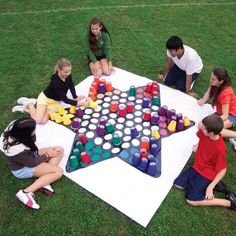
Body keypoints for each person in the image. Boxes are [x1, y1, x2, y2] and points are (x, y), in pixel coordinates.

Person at [174, 114, 236, 210]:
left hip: (207, 174)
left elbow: (222, 170)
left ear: (211, 133)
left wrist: (210, 187)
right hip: (196, 167)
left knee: (191, 200)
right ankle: (207, 185)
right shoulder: (204, 133)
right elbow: (201, 138)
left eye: (203, 128)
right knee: (178, 184)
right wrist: (198, 147)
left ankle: (228, 202)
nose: (200, 127)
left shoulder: (220, 150)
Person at [0, 117, 64, 209]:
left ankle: (43, 180)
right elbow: (32, 163)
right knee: (58, 172)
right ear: (25, 135)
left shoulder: (15, 127)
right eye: (33, 129)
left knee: (59, 150)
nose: (36, 129)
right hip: (22, 169)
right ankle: (25, 193)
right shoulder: (16, 150)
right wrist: (47, 155)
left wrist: (32, 136)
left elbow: (32, 144)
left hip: (30, 155)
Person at [12, 58, 86, 124]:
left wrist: (75, 96)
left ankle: (25, 109)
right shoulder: (56, 82)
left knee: (43, 121)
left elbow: (71, 85)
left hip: (54, 102)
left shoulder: (67, 75)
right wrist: (78, 103)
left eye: (70, 71)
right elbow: (65, 99)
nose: (68, 73)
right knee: (37, 120)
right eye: (66, 72)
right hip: (45, 99)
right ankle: (30, 103)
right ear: (59, 70)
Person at [198, 67, 236, 150]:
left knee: (214, 131)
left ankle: (234, 135)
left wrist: (213, 122)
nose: (210, 80)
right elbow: (208, 92)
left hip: (231, 116)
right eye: (211, 77)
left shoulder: (226, 93)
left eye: (213, 79)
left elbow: (225, 115)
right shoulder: (215, 84)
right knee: (201, 125)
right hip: (220, 113)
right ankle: (230, 136)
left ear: (221, 81)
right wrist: (202, 101)